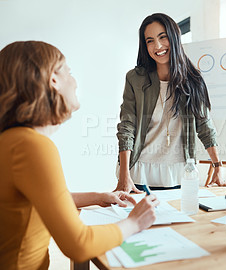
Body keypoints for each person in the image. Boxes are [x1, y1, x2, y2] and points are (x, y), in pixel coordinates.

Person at [0, 41, 159, 269]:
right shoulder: (31, 146)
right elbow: (78, 245)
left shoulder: (12, 141)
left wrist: (97, 196)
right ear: (53, 80)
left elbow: (40, 200)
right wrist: (134, 222)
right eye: (69, 72)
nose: (74, 82)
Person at [115, 13, 226, 193]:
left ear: (174, 37)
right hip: (139, 173)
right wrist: (124, 175)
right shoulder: (135, 78)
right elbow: (127, 126)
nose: (158, 46)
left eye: (163, 37)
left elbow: (204, 125)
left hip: (179, 173)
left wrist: (218, 166)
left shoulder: (193, 80)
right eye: (150, 41)